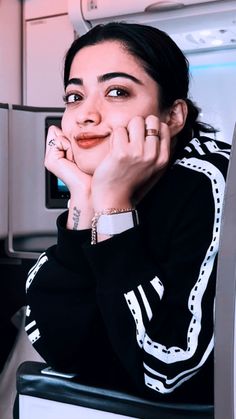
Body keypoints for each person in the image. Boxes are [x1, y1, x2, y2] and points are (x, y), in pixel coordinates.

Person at [24, 22, 230, 404]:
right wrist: (85, 201)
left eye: (117, 92)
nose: (85, 114)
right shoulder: (95, 180)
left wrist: (115, 204)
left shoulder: (212, 181)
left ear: (172, 117)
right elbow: (59, 344)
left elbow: (169, 372)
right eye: (74, 96)